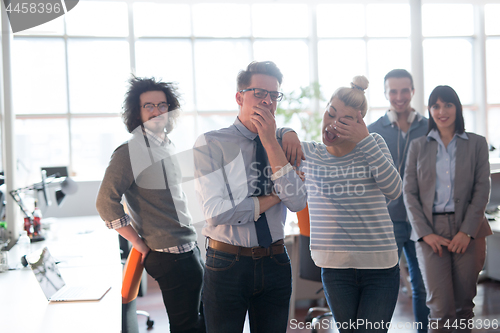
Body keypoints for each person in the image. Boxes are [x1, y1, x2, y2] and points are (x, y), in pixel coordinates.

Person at [193, 61, 307, 333]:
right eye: (259, 92)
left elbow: (298, 202)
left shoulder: (284, 144)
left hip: (276, 260)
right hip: (226, 264)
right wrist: (272, 198)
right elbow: (216, 212)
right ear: (239, 97)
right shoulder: (211, 143)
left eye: (274, 95)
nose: (268, 101)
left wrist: (271, 140)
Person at [281, 76, 402, 333]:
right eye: (331, 113)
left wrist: (366, 140)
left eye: (344, 121)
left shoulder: (374, 144)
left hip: (379, 266)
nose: (332, 124)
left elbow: (394, 189)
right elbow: (266, 141)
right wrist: (286, 131)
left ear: (359, 124)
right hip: (335, 269)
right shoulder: (309, 153)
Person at [96, 76, 204, 333]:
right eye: (149, 106)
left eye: (163, 105)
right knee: (187, 327)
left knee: (200, 322)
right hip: (169, 255)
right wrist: (137, 242)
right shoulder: (129, 151)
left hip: (188, 248)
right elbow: (105, 202)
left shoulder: (167, 145)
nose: (157, 111)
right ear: (137, 111)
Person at [403, 85, 492, 333]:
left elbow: (482, 189)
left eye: (448, 104)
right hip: (431, 231)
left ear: (457, 108)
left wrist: (467, 232)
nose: (442, 111)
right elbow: (409, 193)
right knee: (440, 309)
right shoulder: (418, 146)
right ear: (430, 110)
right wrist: (424, 233)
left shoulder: (476, 143)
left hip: (469, 229)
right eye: (436, 106)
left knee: (464, 307)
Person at [367, 69, 430, 332]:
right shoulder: (370, 131)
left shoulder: (428, 128)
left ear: (413, 91)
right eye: (393, 91)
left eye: (405, 90)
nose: (399, 96)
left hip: (421, 221)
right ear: (385, 94)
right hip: (385, 221)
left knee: (423, 286)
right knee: (383, 288)